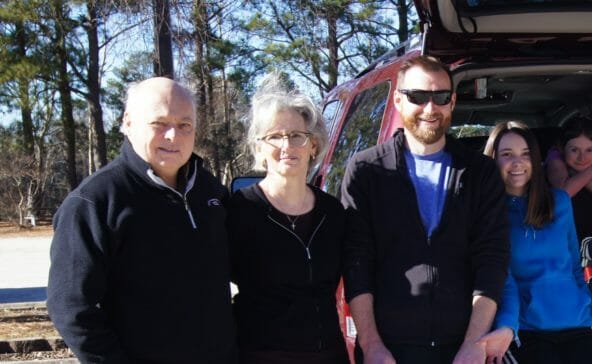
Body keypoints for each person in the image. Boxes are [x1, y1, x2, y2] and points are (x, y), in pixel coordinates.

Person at [47, 77, 236, 363]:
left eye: (185, 125)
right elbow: (72, 307)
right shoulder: (95, 202)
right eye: (159, 123)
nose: (173, 136)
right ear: (128, 122)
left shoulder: (211, 193)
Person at [340, 55, 510, 364]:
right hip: (389, 351)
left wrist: (473, 344)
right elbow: (356, 262)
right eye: (418, 97)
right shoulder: (366, 170)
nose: (430, 109)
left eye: (441, 97)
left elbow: (492, 259)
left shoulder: (480, 172)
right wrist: (371, 344)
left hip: (463, 349)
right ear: (398, 100)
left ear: (453, 101)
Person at [228, 74, 349, 363]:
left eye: (297, 135)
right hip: (260, 355)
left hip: (327, 355)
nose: (286, 145)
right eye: (274, 136)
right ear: (259, 147)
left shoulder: (332, 213)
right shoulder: (238, 211)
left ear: (313, 145)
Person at [478, 122, 592, 364]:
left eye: (525, 154)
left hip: (577, 324)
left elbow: (574, 266)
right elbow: (499, 280)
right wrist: (506, 327)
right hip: (526, 330)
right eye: (507, 155)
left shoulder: (560, 201)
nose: (517, 163)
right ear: (493, 160)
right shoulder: (488, 214)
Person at [546, 116, 592, 200]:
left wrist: (574, 172)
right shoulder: (555, 155)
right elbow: (563, 193)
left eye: (589, 150)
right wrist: (591, 170)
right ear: (562, 148)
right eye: (574, 150)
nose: (582, 158)